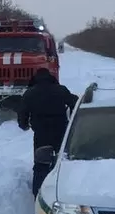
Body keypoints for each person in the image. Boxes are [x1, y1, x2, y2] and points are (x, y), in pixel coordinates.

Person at [17, 68, 79, 196]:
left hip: (41, 135)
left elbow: (22, 113)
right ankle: (65, 193)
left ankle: (39, 196)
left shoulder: (30, 93)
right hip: (61, 133)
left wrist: (24, 125)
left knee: (40, 165)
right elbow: (76, 102)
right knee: (63, 164)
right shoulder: (61, 90)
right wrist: (73, 119)